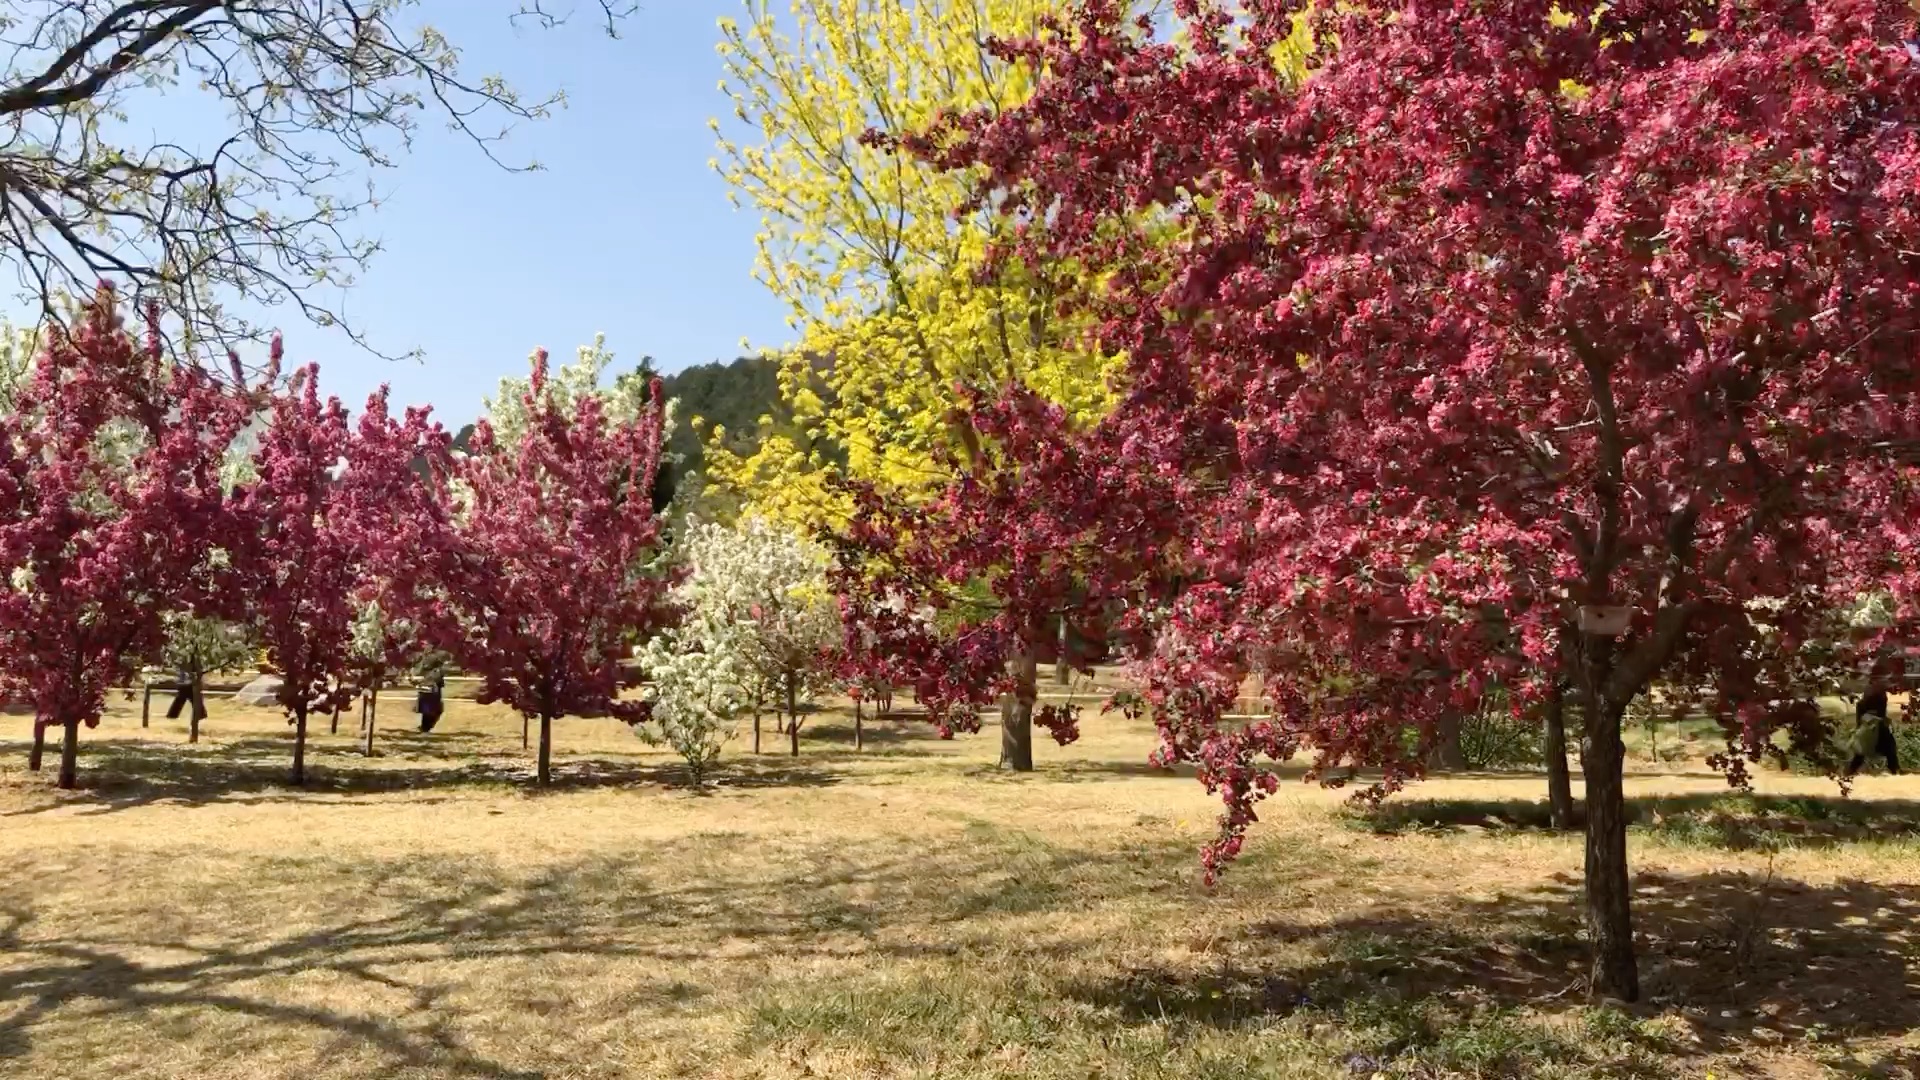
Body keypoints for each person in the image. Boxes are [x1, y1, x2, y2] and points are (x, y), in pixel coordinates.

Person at [1846, 678, 1901, 777]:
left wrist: (1859, 723)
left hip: (1868, 722)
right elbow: (1879, 711)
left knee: (1862, 749)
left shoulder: (1871, 690)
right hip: (1876, 723)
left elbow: (1860, 705)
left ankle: (1850, 771)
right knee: (1890, 749)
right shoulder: (1879, 693)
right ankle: (1894, 770)